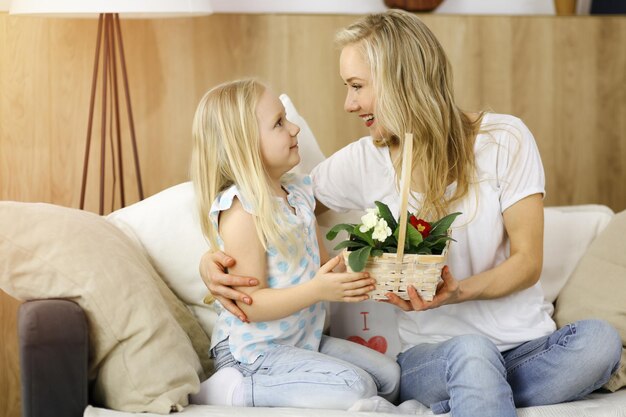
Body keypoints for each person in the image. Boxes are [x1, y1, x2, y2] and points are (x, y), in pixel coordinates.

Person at [200, 11, 621, 417]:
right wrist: (209, 262)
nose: (349, 103)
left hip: (524, 346)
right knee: (471, 351)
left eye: (357, 86)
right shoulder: (364, 161)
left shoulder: (505, 139)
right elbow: (267, 203)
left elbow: (527, 262)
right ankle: (472, 384)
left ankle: (475, 392)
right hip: (433, 356)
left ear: (400, 83)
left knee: (601, 342)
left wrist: (459, 292)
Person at [188, 79, 400, 410]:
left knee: (389, 376)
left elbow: (319, 267)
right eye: (278, 123)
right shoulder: (243, 210)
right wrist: (318, 290)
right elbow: (249, 304)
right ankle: (233, 391)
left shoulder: (299, 194)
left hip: (303, 341)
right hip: (254, 352)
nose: (294, 128)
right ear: (244, 144)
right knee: (356, 387)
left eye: (287, 118)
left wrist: (350, 260)